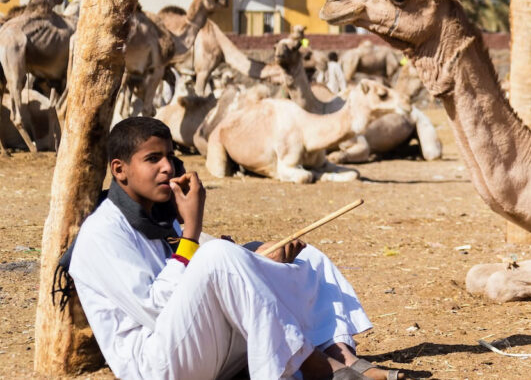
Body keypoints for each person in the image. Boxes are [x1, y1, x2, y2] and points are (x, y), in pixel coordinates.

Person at [65, 117, 396, 380]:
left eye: (169, 157)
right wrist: (192, 232)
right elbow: (155, 310)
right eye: (153, 159)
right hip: (158, 365)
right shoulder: (102, 233)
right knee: (219, 256)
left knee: (301, 258)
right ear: (119, 170)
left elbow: (197, 272)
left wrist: (254, 258)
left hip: (201, 351)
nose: (167, 168)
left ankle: (340, 354)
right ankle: (318, 369)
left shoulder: (159, 216)